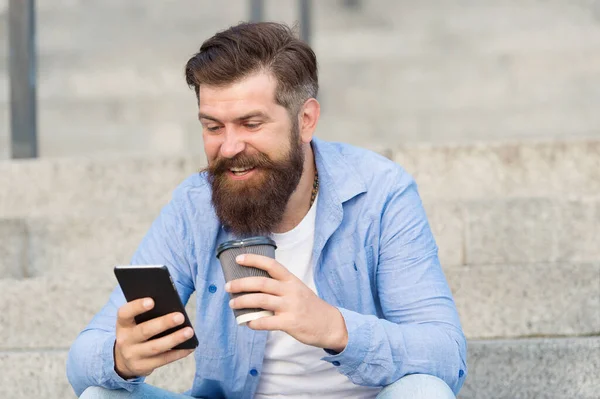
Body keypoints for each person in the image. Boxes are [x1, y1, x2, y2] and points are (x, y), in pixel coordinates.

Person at [67, 22, 467, 399]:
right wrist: (120, 359)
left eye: (250, 124)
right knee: (99, 393)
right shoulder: (194, 205)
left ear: (305, 120)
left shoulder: (380, 192)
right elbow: (83, 359)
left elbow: (445, 355)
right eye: (213, 127)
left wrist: (333, 326)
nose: (229, 148)